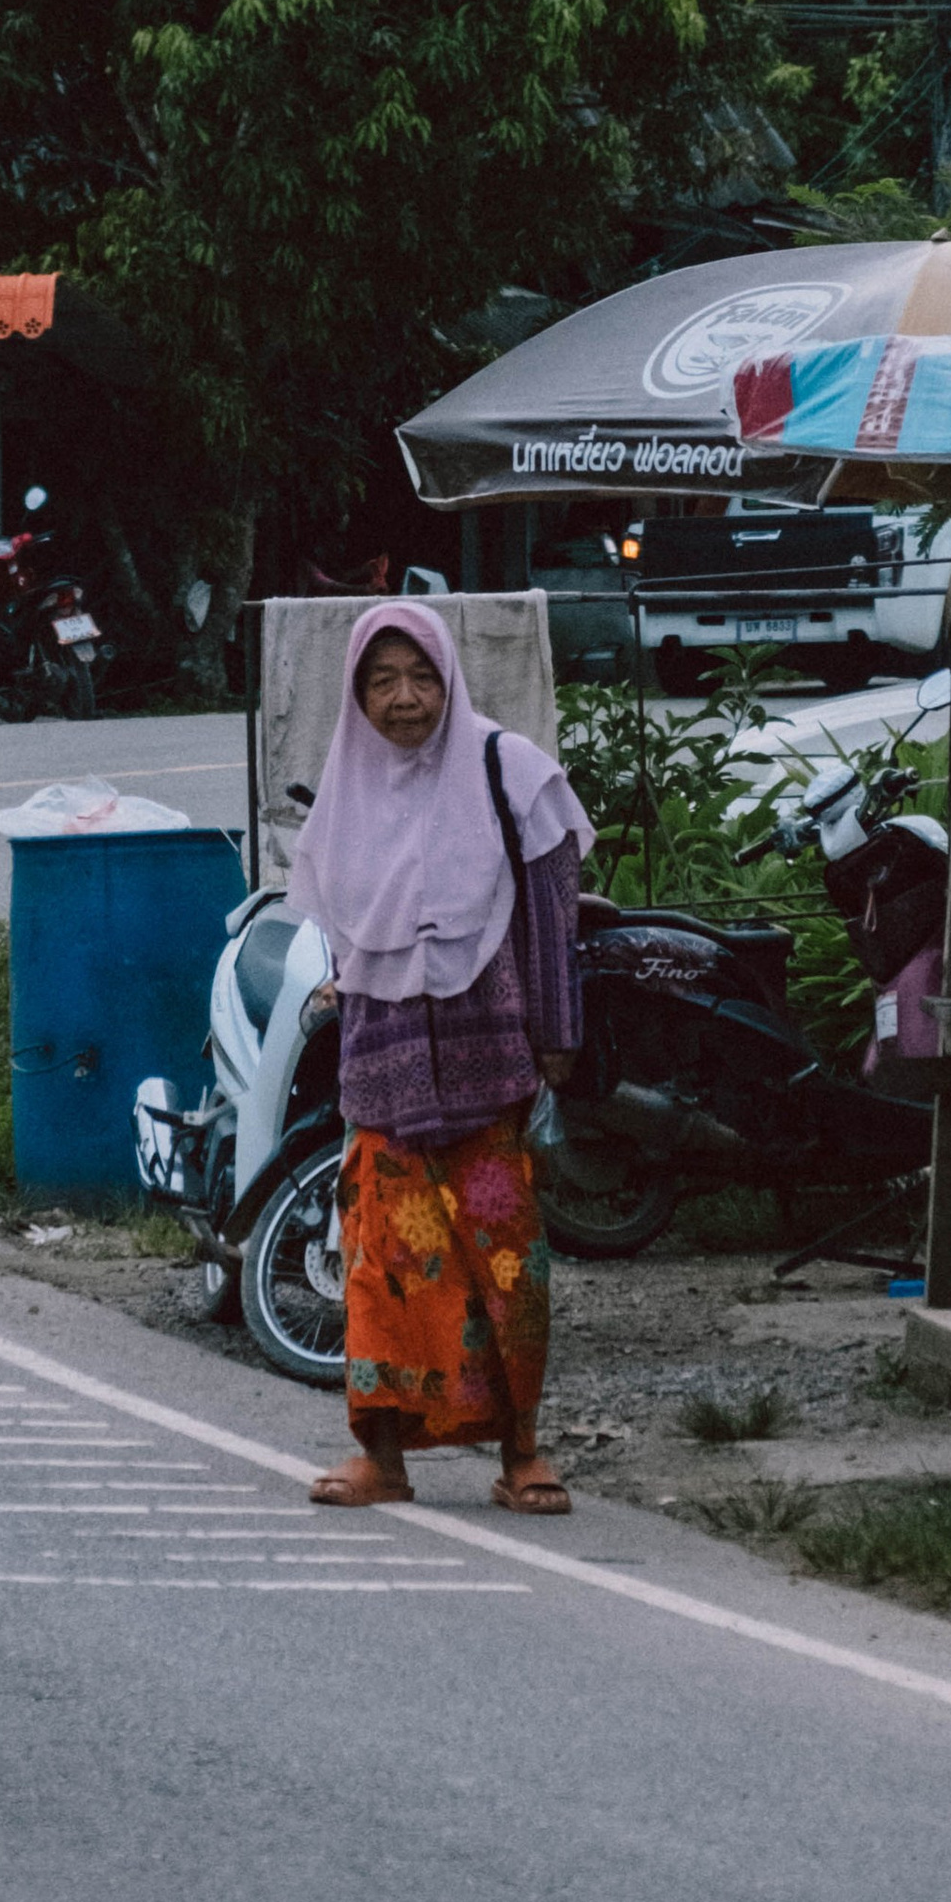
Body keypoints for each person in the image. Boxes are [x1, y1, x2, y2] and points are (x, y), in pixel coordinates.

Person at [287, 601, 591, 1517]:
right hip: (381, 1080)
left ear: (450, 678)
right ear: (356, 693)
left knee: (507, 1271)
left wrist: (558, 1040)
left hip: (489, 1070)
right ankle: (382, 1457)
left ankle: (524, 1453)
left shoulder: (511, 773)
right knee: (381, 1271)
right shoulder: (346, 795)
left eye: (420, 677)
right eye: (381, 681)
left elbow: (552, 921)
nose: (404, 699)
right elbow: (345, 936)